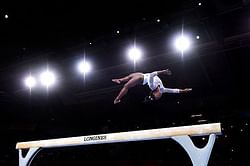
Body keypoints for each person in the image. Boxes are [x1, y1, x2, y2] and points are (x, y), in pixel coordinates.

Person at [112, 69, 192, 104]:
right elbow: (174, 91)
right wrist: (184, 91)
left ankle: (117, 99)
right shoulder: (162, 89)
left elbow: (152, 74)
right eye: (158, 97)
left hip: (141, 79)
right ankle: (120, 80)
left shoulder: (152, 86)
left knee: (126, 86)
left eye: (157, 97)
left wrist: (162, 72)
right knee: (130, 76)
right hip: (142, 75)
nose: (159, 96)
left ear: (154, 93)